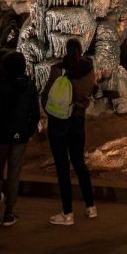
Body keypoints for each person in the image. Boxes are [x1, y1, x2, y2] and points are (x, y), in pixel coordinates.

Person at [41, 38, 97, 225]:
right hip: (78, 120)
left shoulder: (58, 69)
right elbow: (90, 91)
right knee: (79, 162)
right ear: (81, 50)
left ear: (66, 50)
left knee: (62, 167)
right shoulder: (89, 69)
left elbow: (47, 94)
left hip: (59, 122)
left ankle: (67, 213)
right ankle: (91, 207)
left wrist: (49, 111)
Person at [0, 51, 39, 227]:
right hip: (20, 135)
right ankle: (9, 213)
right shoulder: (29, 86)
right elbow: (34, 113)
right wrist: (28, 132)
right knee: (14, 173)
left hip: (1, 135)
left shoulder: (1, 84)